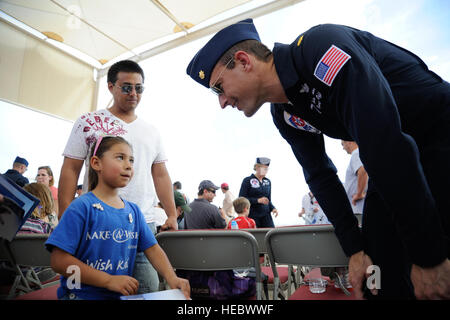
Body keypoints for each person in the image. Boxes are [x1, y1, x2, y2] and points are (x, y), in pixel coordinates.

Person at [185, 19, 450, 299]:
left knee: (433, 268)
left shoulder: (321, 49)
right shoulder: (285, 114)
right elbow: (319, 174)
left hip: (438, 136)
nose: (222, 102)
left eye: (218, 88)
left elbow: (382, 140)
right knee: (377, 278)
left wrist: (428, 258)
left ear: (243, 61)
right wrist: (355, 250)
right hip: (394, 162)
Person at [58, 60, 178, 294]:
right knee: (92, 288)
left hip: (141, 223)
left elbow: (161, 174)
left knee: (146, 290)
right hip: (95, 221)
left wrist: (172, 213)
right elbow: (70, 168)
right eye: (126, 87)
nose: (133, 93)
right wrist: (64, 212)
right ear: (111, 87)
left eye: (139, 88)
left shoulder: (151, 131)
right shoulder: (89, 123)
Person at [45, 136, 190, 300]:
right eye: (120, 157)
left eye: (132, 160)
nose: (128, 165)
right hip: (78, 295)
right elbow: (58, 260)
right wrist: (107, 280)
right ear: (96, 163)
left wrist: (172, 278)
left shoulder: (134, 211)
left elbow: (153, 249)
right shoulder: (81, 207)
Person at [238, 157, 278, 228]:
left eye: (266, 169)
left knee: (272, 235)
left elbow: (268, 199)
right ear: (256, 167)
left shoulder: (268, 182)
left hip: (266, 216)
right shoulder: (247, 180)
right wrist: (257, 200)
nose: (265, 171)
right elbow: (241, 199)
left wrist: (273, 208)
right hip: (253, 215)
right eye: (263, 168)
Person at [341, 140, 368, 225]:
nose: (343, 148)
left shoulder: (356, 153)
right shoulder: (360, 153)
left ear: (349, 142)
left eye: (343, 144)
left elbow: (363, 171)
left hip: (358, 209)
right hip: (359, 209)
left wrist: (359, 193)